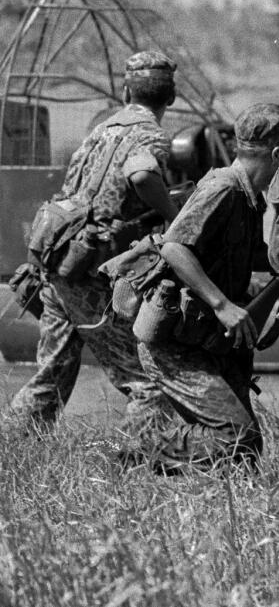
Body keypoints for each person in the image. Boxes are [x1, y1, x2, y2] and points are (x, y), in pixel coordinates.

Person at [8, 51, 179, 432]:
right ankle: (136, 462)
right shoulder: (150, 134)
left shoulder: (102, 130)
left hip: (53, 262)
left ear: (123, 91)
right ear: (171, 97)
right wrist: (172, 213)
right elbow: (141, 174)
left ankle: (15, 444)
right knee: (147, 381)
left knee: (52, 371)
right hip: (88, 273)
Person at [132, 103, 279, 471]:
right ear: (278, 153)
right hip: (173, 343)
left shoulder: (250, 196)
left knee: (241, 450)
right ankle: (134, 459)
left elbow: (254, 256)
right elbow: (174, 246)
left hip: (205, 339)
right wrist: (222, 304)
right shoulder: (224, 187)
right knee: (235, 436)